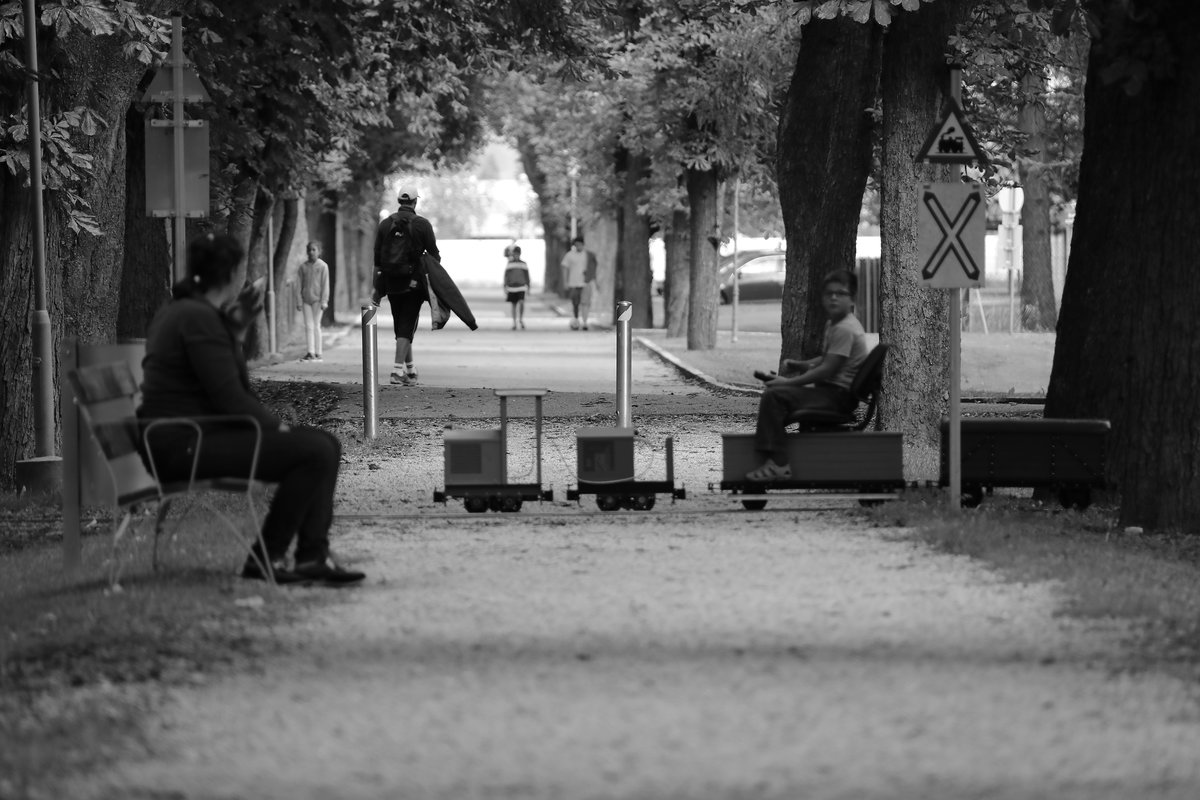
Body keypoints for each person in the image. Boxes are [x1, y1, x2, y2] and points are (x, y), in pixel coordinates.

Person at [138, 233, 365, 586]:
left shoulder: (185, 311)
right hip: (183, 444)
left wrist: (237, 331)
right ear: (230, 275)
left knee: (325, 445)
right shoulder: (197, 318)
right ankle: (270, 557)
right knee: (316, 450)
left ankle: (311, 556)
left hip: (182, 438)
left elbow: (223, 384)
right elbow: (229, 396)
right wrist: (277, 428)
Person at [746, 269, 870, 482]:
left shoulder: (846, 329)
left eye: (840, 293)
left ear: (851, 299)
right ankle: (778, 454)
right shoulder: (835, 324)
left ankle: (778, 464)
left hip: (838, 397)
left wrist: (790, 383)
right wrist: (801, 365)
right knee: (777, 395)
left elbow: (827, 369)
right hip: (831, 393)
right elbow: (826, 358)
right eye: (829, 293)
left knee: (773, 397)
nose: (833, 297)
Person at [371, 189, 440, 385]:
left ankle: (410, 371)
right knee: (406, 326)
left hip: (391, 282)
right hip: (414, 284)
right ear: (415, 202)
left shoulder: (385, 224)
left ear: (399, 200)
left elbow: (377, 260)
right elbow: (435, 255)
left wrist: (375, 288)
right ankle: (396, 372)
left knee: (402, 326)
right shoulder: (422, 225)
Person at [296, 241, 329, 362]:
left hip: (318, 300)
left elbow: (325, 285)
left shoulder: (323, 266)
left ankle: (318, 352)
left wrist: (324, 301)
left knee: (316, 325)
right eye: (309, 250)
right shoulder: (303, 267)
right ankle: (310, 352)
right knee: (308, 326)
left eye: (314, 249)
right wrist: (299, 301)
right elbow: (298, 285)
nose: (311, 252)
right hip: (306, 300)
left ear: (319, 251)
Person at [559, 236, 590, 329]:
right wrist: (565, 282)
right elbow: (564, 268)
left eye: (580, 245)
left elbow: (592, 268)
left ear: (583, 245)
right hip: (573, 283)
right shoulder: (569, 255)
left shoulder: (587, 255)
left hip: (585, 283)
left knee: (585, 302)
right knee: (575, 303)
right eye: (576, 245)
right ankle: (576, 320)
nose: (578, 247)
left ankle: (585, 322)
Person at [503, 245, 531, 330]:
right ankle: (514, 322)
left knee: (522, 302)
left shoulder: (523, 264)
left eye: (517, 254)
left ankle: (521, 319)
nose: (516, 255)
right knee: (514, 304)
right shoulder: (510, 264)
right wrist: (505, 285)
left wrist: (529, 286)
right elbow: (506, 276)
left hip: (521, 286)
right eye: (515, 254)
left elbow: (527, 276)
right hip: (512, 287)